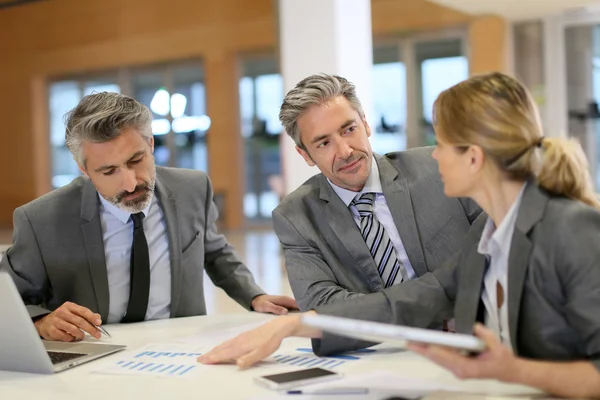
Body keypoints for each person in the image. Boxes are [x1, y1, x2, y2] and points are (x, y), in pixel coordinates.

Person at [199, 72, 600, 399]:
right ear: (306, 154)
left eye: (442, 144)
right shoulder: (487, 239)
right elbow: (409, 302)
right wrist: (297, 324)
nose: (433, 154)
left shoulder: (570, 229)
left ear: (474, 158)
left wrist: (512, 370)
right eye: (324, 141)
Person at [0, 92, 297, 342]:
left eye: (136, 160)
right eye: (109, 171)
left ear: (151, 144)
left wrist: (253, 295)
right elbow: (7, 302)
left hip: (182, 346)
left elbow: (214, 251)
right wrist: (41, 322)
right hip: (95, 352)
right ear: (83, 169)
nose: (130, 184)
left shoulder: (193, 188)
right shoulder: (40, 219)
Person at [273, 73, 481, 312]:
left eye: (349, 129)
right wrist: (426, 311)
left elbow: (498, 254)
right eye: (324, 143)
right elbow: (321, 306)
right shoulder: (296, 217)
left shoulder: (438, 169)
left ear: (366, 123)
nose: (345, 151)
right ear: (305, 155)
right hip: (384, 346)